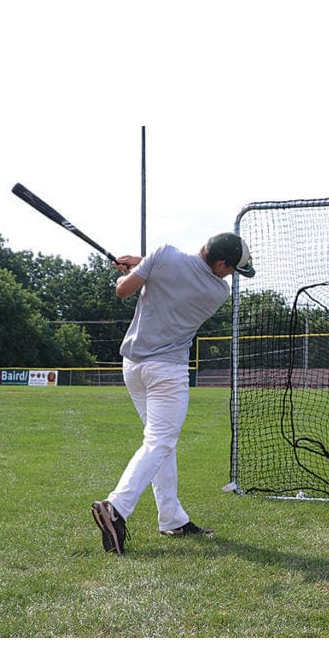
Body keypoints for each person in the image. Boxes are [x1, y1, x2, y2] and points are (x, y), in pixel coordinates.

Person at [90, 232, 254, 554]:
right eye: (232, 269)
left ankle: (172, 518)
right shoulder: (217, 291)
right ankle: (116, 507)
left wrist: (141, 268)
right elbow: (174, 279)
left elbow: (123, 290)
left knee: (161, 444)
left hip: (133, 368)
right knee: (160, 442)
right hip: (166, 371)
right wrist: (146, 267)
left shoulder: (163, 254)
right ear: (220, 263)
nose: (231, 276)